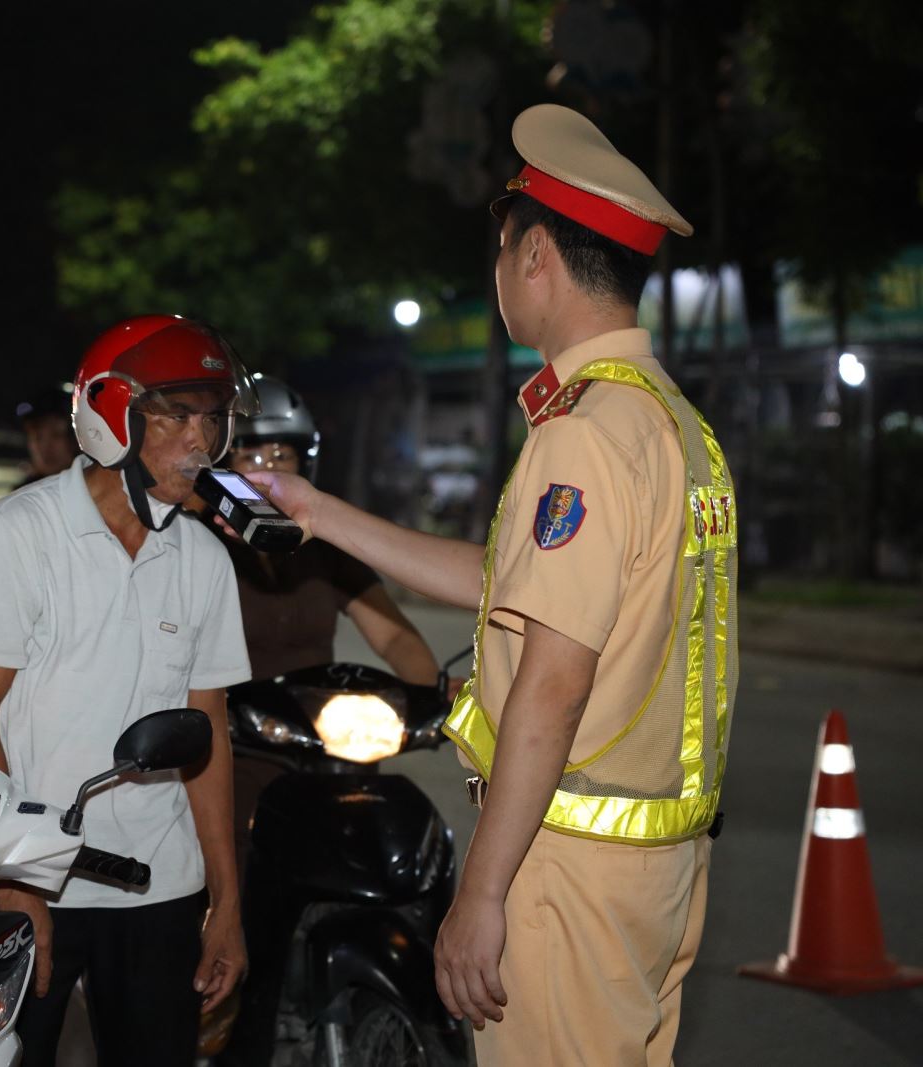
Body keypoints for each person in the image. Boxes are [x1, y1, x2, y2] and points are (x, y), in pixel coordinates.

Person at [242, 104, 737, 1067]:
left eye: (504, 249)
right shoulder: (673, 426)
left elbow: (552, 678)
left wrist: (483, 893)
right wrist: (320, 512)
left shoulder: (584, 436)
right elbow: (509, 584)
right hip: (656, 871)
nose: (502, 270)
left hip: (569, 876)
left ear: (537, 255)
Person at [0, 315, 254, 1067]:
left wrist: (226, 900)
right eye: (177, 413)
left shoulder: (205, 558)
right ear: (111, 415)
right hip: (35, 881)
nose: (201, 440)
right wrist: (17, 879)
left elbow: (205, 730)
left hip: (159, 887)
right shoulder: (23, 533)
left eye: (213, 417)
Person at [222, 374, 439, 685]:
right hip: (227, 726)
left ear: (304, 466)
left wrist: (436, 692)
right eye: (250, 457)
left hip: (316, 722)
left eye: (282, 456)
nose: (268, 471)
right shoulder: (201, 543)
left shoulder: (323, 546)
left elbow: (393, 636)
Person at [14, 385, 81, 489]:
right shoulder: (23, 496)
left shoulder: (94, 490)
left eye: (56, 435)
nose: (46, 447)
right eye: (37, 437)